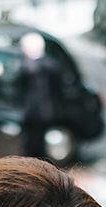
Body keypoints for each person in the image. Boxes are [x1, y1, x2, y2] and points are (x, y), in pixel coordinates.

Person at [19, 32, 63, 160]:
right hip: (47, 111)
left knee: (33, 145)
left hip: (34, 113)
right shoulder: (51, 64)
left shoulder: (28, 67)